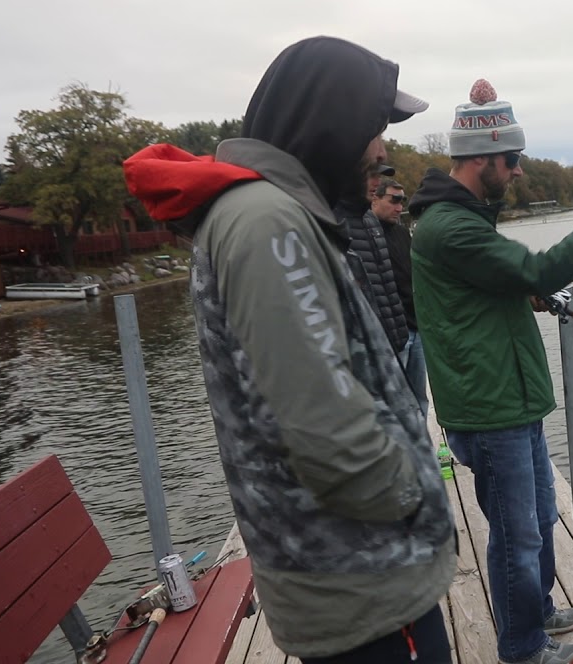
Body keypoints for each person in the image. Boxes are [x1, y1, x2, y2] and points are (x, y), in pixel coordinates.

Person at [123, 36, 455, 664]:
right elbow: (328, 432)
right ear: (333, 123)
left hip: (359, 579)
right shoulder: (267, 222)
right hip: (363, 585)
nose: (381, 149)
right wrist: (413, 495)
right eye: (376, 128)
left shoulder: (268, 213)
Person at [408, 79, 573, 664]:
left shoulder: (462, 217)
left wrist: (520, 293)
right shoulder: (451, 227)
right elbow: (538, 269)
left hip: (510, 396)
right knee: (515, 532)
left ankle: (538, 609)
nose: (520, 170)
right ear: (482, 160)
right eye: (513, 159)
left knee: (540, 514)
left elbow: (495, 283)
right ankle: (521, 645)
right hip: (489, 405)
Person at [335, 159, 410, 361]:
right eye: (371, 175)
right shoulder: (335, 221)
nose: (377, 182)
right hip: (371, 347)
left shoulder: (372, 221)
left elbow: (389, 284)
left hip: (400, 337)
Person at [371, 177, 428, 414]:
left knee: (419, 397)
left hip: (417, 328)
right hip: (392, 332)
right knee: (396, 401)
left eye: (402, 201)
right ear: (374, 199)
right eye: (393, 200)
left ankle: (421, 437)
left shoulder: (403, 234)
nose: (399, 207)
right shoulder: (365, 235)